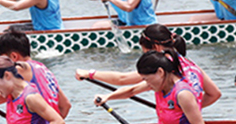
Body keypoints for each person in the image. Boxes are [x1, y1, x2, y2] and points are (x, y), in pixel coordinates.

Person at [94, 51, 207, 124]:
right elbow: (131, 91)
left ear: (160, 72)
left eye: (147, 79)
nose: (146, 84)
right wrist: (108, 97)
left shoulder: (183, 94)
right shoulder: (160, 83)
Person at [75, 23, 221, 108]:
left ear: (156, 47)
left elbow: (123, 79)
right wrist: (187, 110)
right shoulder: (189, 63)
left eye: (145, 51)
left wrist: (90, 73)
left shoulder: (162, 67)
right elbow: (215, 94)